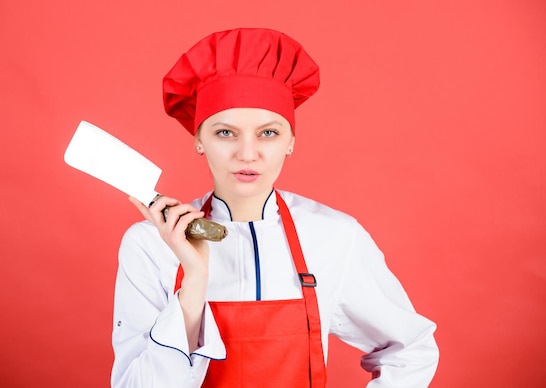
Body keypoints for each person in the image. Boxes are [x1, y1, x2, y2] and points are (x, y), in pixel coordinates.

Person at [111, 28, 439, 388]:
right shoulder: (149, 245)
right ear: (199, 140)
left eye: (268, 133)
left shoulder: (335, 237)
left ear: (291, 142)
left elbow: (411, 350)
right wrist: (194, 283)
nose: (247, 153)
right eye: (225, 133)